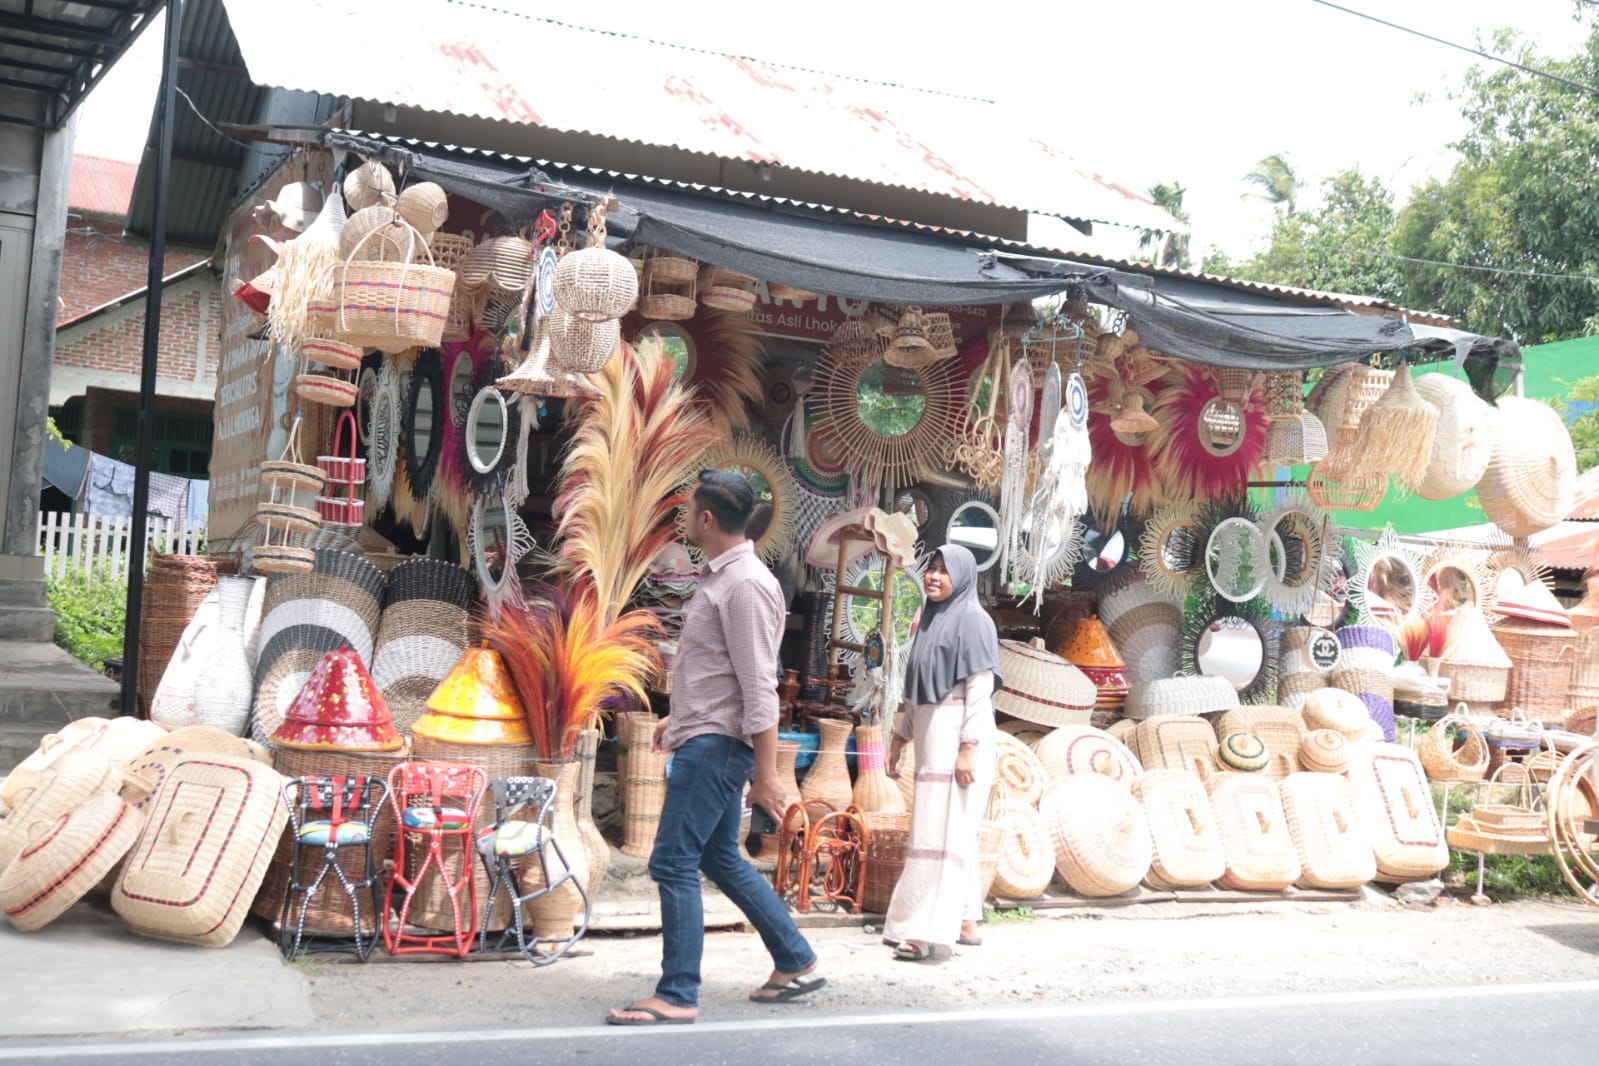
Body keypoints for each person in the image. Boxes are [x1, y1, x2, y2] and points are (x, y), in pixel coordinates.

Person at [607, 470, 822, 1026]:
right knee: (718, 857)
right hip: (706, 735)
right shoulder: (728, 579)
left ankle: (677, 992)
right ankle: (794, 959)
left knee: (672, 861)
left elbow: (759, 687)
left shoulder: (743, 584)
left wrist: (769, 774)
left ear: (706, 518)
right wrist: (678, 719)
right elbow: (721, 672)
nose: (686, 521)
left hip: (717, 748)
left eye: (688, 513)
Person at [883, 544, 1000, 961]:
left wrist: (968, 749)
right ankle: (966, 919)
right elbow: (917, 691)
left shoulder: (974, 622)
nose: (933, 577)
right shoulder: (929, 622)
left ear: (963, 577)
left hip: (959, 743)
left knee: (941, 836)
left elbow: (980, 692)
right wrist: (898, 739)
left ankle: (926, 931)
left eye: (943, 571)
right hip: (934, 743)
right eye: (930, 569)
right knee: (948, 832)